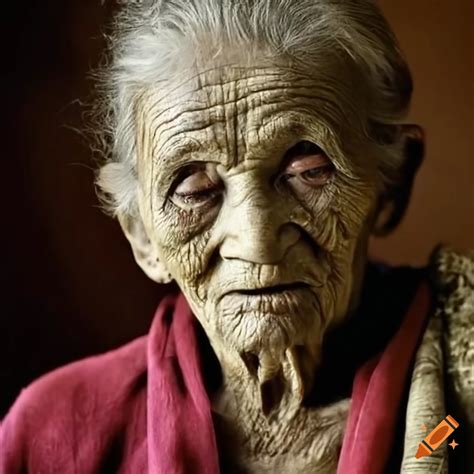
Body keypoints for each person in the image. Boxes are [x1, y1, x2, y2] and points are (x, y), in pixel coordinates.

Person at [1, 1, 472, 473]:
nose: (257, 241)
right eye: (195, 190)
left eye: (308, 169)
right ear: (141, 234)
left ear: (390, 186)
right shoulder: (53, 433)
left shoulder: (458, 406)